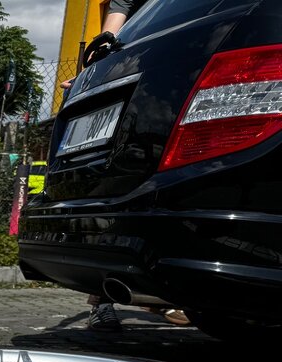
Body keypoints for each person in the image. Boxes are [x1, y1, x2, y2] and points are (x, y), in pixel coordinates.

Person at [70, 0, 190, 331]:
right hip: (136, 81)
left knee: (166, 192)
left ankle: (163, 293)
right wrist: (89, 76)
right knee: (115, 189)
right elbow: (108, 36)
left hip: (176, 85)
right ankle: (102, 299)